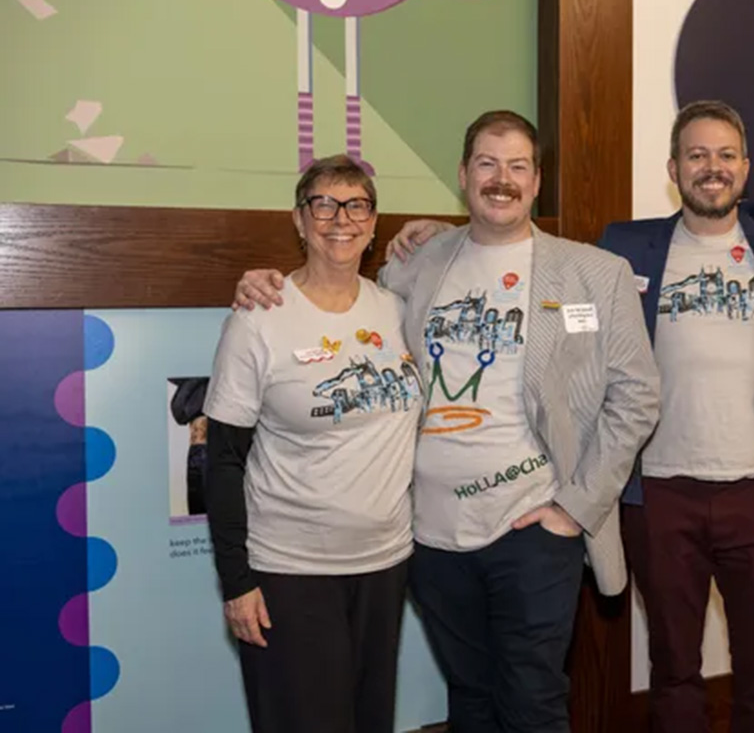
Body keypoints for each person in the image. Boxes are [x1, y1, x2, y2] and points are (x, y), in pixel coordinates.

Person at [385, 101, 754, 733]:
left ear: (746, 168)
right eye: (697, 156)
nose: (712, 168)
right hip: (659, 494)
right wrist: (438, 232)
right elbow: (516, 254)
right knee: (673, 668)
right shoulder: (626, 247)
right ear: (673, 169)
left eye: (726, 155)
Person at [231, 110, 660, 733]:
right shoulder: (417, 264)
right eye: (487, 164)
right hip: (432, 536)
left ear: (537, 181)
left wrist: (575, 507)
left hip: (535, 525)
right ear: (464, 176)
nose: (501, 179)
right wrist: (262, 284)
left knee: (534, 703)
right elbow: (340, 302)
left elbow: (637, 396)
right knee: (470, 699)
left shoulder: (595, 274)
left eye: (517, 166)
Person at [204, 155, 424, 733]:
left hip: (385, 564)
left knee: (370, 720)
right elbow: (223, 461)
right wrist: (237, 581)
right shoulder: (260, 319)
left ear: (375, 223)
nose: (339, 218)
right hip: (291, 571)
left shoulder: (396, 310)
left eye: (356, 204)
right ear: (299, 221)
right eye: (322, 204)